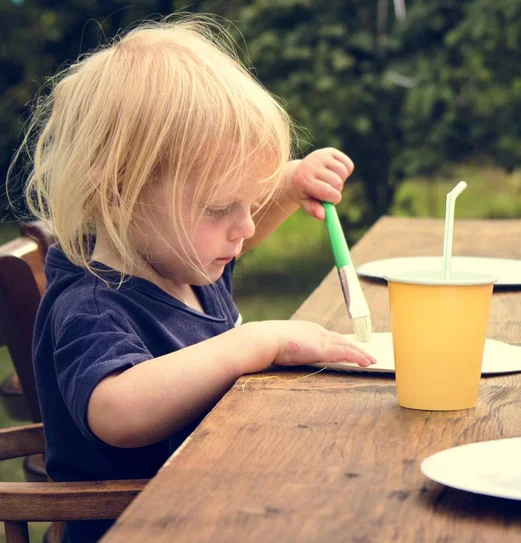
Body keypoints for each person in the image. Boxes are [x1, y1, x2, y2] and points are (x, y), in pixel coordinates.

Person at [10, 15, 376, 542]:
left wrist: (290, 187)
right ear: (119, 191)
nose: (246, 227)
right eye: (223, 206)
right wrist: (255, 341)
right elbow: (117, 410)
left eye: (251, 201)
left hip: (217, 504)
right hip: (147, 526)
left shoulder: (183, 263)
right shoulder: (91, 302)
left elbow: (233, 240)